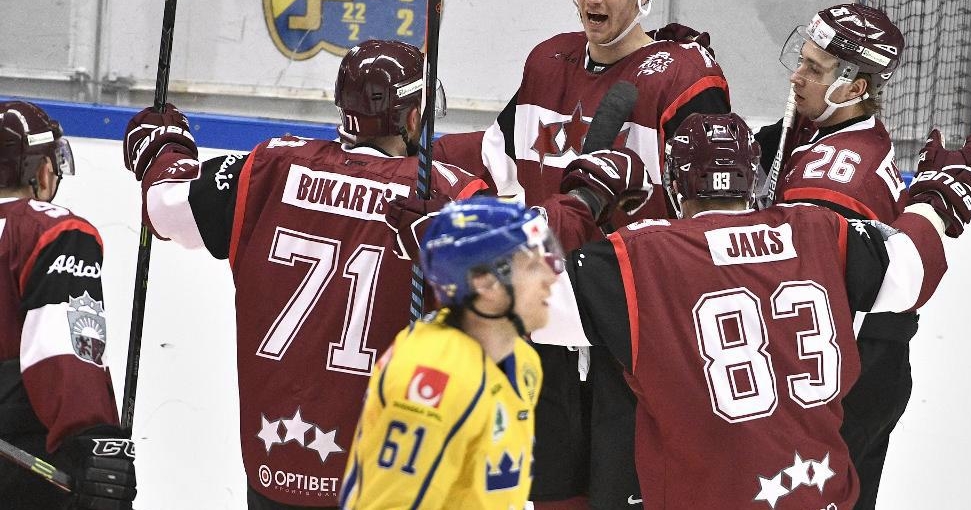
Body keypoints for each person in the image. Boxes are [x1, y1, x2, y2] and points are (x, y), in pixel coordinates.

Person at [535, 111, 971, 509]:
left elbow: (513, 293)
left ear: (676, 186)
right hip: (820, 495)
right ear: (753, 180)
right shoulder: (820, 230)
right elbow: (912, 271)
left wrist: (582, 201)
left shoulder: (642, 256)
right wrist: (934, 201)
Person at [434, 0, 731, 509]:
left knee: (625, 491)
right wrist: (414, 155)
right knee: (550, 489)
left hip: (632, 321)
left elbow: (714, 206)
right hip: (547, 313)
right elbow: (497, 155)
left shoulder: (683, 77)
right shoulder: (548, 60)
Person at [121, 41, 487, 510]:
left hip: (275, 464)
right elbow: (525, 301)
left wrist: (163, 149)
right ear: (413, 118)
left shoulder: (269, 166)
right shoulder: (446, 196)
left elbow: (165, 204)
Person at [754, 3, 915, 509]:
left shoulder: (837, 176)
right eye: (801, 60)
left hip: (853, 378)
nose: (797, 77)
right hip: (852, 360)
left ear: (855, 88)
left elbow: (787, 277)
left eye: (815, 70)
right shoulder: (827, 127)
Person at [339, 196, 559, 509]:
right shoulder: (433, 379)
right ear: (485, 283)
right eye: (534, 266)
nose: (551, 279)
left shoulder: (523, 362)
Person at [0, 101, 137, 510]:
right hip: (21, 461)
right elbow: (64, 351)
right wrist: (93, 442)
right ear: (39, 169)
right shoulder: (51, 231)